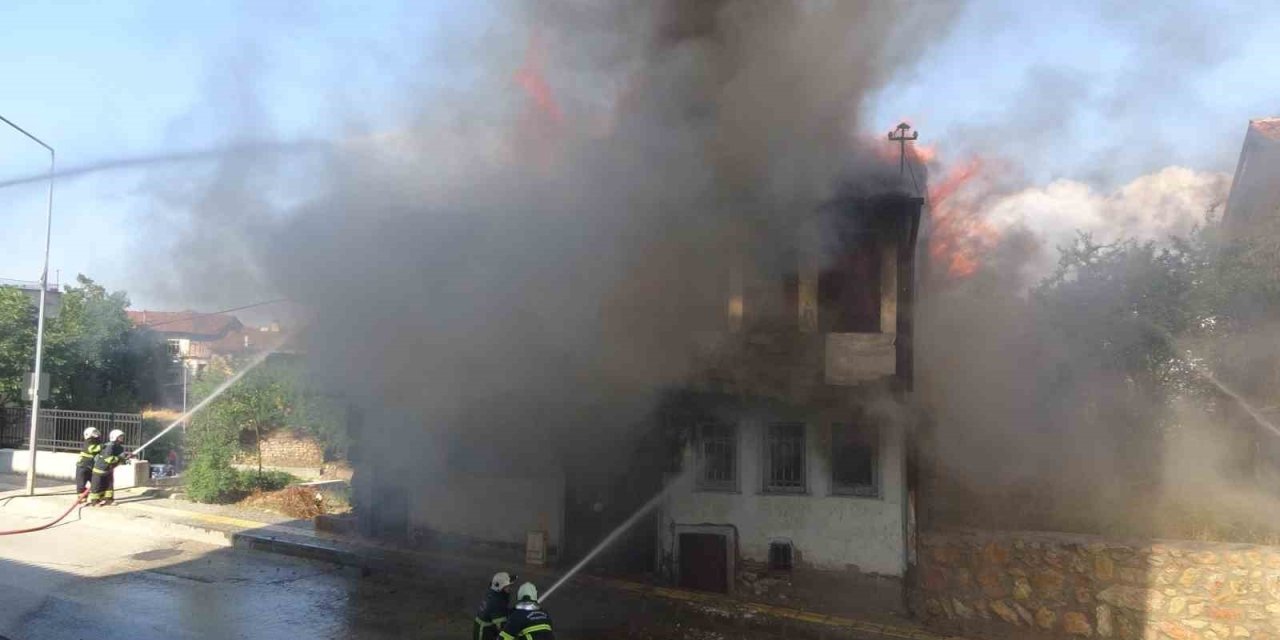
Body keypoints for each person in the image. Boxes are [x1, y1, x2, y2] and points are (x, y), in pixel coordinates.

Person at [88, 429, 130, 506]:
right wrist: (120, 459)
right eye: (120, 437)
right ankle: (94, 501)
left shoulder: (119, 447)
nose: (122, 438)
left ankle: (109, 500)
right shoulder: (109, 446)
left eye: (122, 437)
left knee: (109, 486)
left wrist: (125, 460)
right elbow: (108, 459)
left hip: (109, 470)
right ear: (115, 437)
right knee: (96, 486)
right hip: (100, 470)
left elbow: (119, 458)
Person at [473, 572, 515, 640]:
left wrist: (515, 610)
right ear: (500, 587)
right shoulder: (497, 602)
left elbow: (503, 612)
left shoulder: (493, 594)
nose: (510, 588)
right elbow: (503, 627)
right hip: (485, 635)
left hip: (484, 631)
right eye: (507, 586)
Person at [75, 427, 103, 500]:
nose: (96, 434)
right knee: (81, 484)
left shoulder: (97, 441)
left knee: (96, 483)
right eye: (94, 432)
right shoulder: (88, 441)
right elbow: (92, 449)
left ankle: (96, 498)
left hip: (92, 467)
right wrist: (103, 447)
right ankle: (82, 498)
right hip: (82, 466)